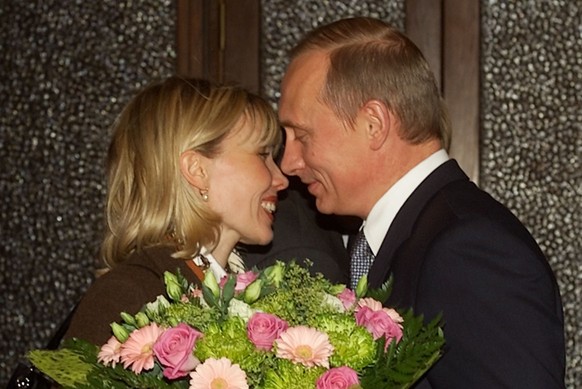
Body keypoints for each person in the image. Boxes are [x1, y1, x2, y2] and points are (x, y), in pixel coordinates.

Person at [278, 17, 565, 388]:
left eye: (301, 135)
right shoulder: (392, 238)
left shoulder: (469, 250)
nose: (289, 163)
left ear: (374, 124)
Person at [65, 76, 289, 345]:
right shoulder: (127, 296)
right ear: (197, 170)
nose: (281, 180)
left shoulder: (235, 289)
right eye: (263, 154)